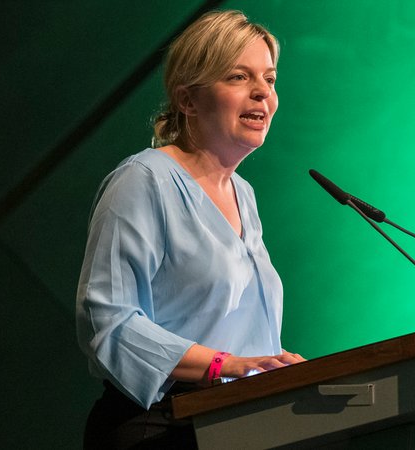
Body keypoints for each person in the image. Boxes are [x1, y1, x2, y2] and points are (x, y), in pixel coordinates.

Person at [75, 10, 303, 449]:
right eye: (239, 77)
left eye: (270, 79)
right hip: (160, 426)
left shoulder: (244, 195)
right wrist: (226, 365)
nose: (262, 93)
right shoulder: (145, 179)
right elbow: (106, 318)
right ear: (188, 100)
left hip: (236, 423)